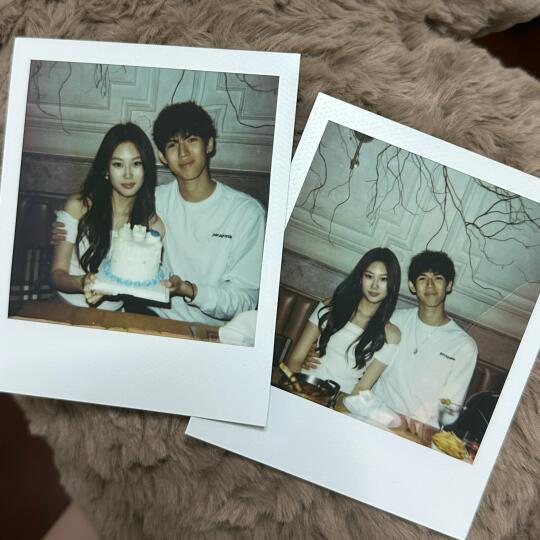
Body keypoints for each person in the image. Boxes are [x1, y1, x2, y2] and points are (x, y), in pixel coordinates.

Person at [151, 101, 265, 325]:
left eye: (191, 140)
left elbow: (245, 300)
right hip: (154, 320)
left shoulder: (246, 213)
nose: (183, 152)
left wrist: (191, 290)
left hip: (210, 332)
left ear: (209, 144)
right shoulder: (154, 201)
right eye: (173, 144)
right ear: (163, 156)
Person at [50, 123, 165, 310]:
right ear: (106, 170)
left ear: (146, 169)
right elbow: (57, 275)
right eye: (118, 164)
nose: (128, 174)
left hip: (114, 317)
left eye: (136, 163)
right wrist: (83, 282)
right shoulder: (79, 207)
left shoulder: (152, 226)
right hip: (66, 310)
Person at [371, 250, 478, 439]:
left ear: (449, 285)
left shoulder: (463, 346)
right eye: (422, 278)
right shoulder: (395, 320)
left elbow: (449, 411)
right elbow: (362, 360)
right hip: (374, 418)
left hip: (416, 435)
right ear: (412, 286)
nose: (430, 285)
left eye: (438, 278)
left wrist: (407, 427)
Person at [287, 247, 402, 394]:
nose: (375, 285)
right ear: (360, 278)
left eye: (383, 279)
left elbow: (361, 388)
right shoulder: (330, 307)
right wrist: (298, 391)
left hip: (339, 400)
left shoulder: (391, 335)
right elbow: (295, 359)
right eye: (369, 276)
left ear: (392, 284)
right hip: (303, 385)